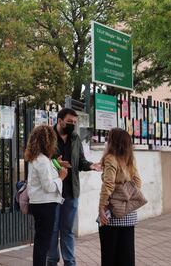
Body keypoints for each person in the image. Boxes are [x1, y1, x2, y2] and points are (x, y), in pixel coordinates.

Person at [47, 108, 102, 266]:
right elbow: (41, 160)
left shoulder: (75, 138)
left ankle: (70, 263)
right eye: (70, 122)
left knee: (67, 231)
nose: (73, 125)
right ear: (60, 121)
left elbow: (80, 162)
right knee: (52, 230)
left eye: (75, 122)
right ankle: (51, 260)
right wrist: (56, 163)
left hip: (71, 192)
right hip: (52, 192)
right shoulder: (47, 136)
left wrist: (91, 166)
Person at [25, 125, 68, 266]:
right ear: (47, 141)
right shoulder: (42, 160)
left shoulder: (38, 158)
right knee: (43, 243)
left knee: (41, 241)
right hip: (45, 205)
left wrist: (56, 164)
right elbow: (48, 186)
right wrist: (61, 177)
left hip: (41, 204)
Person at [98, 128, 141, 266]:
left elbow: (108, 185)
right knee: (126, 256)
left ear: (112, 142)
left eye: (108, 138)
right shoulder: (129, 159)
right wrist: (125, 193)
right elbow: (138, 183)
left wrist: (101, 207)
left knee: (109, 255)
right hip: (128, 214)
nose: (106, 141)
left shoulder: (111, 158)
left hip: (111, 213)